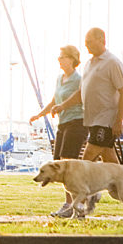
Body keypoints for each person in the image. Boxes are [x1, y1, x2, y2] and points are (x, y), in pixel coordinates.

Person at [54, 27, 123, 221]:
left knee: (85, 160)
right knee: (117, 169)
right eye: (85, 42)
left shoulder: (112, 62)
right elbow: (81, 93)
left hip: (106, 121)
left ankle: (80, 207)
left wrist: (118, 120)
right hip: (92, 120)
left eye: (90, 42)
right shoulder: (89, 64)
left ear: (101, 40)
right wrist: (62, 106)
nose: (86, 45)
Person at [30, 44, 88, 217]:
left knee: (65, 164)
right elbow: (54, 100)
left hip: (77, 123)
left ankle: (71, 206)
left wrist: (62, 106)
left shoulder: (79, 79)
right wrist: (40, 114)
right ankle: (72, 204)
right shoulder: (59, 78)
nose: (59, 59)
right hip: (63, 124)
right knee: (58, 162)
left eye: (62, 56)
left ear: (72, 59)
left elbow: (80, 98)